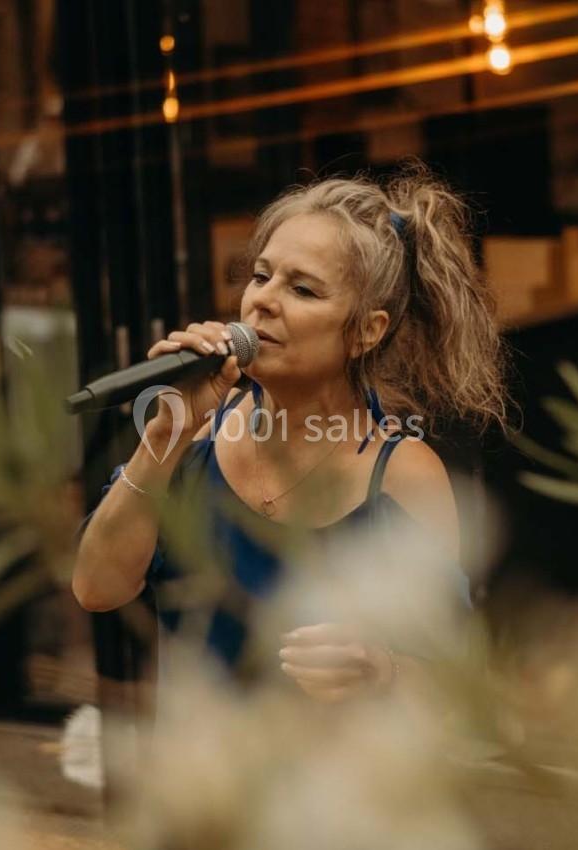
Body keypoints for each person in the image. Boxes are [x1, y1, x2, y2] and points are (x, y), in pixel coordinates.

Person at [72, 164, 505, 703]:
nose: (263, 301)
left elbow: (457, 685)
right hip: (198, 778)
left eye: (302, 289)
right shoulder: (194, 439)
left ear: (367, 332)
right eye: (260, 275)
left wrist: (381, 669)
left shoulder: (401, 475)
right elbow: (96, 588)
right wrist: (165, 438)